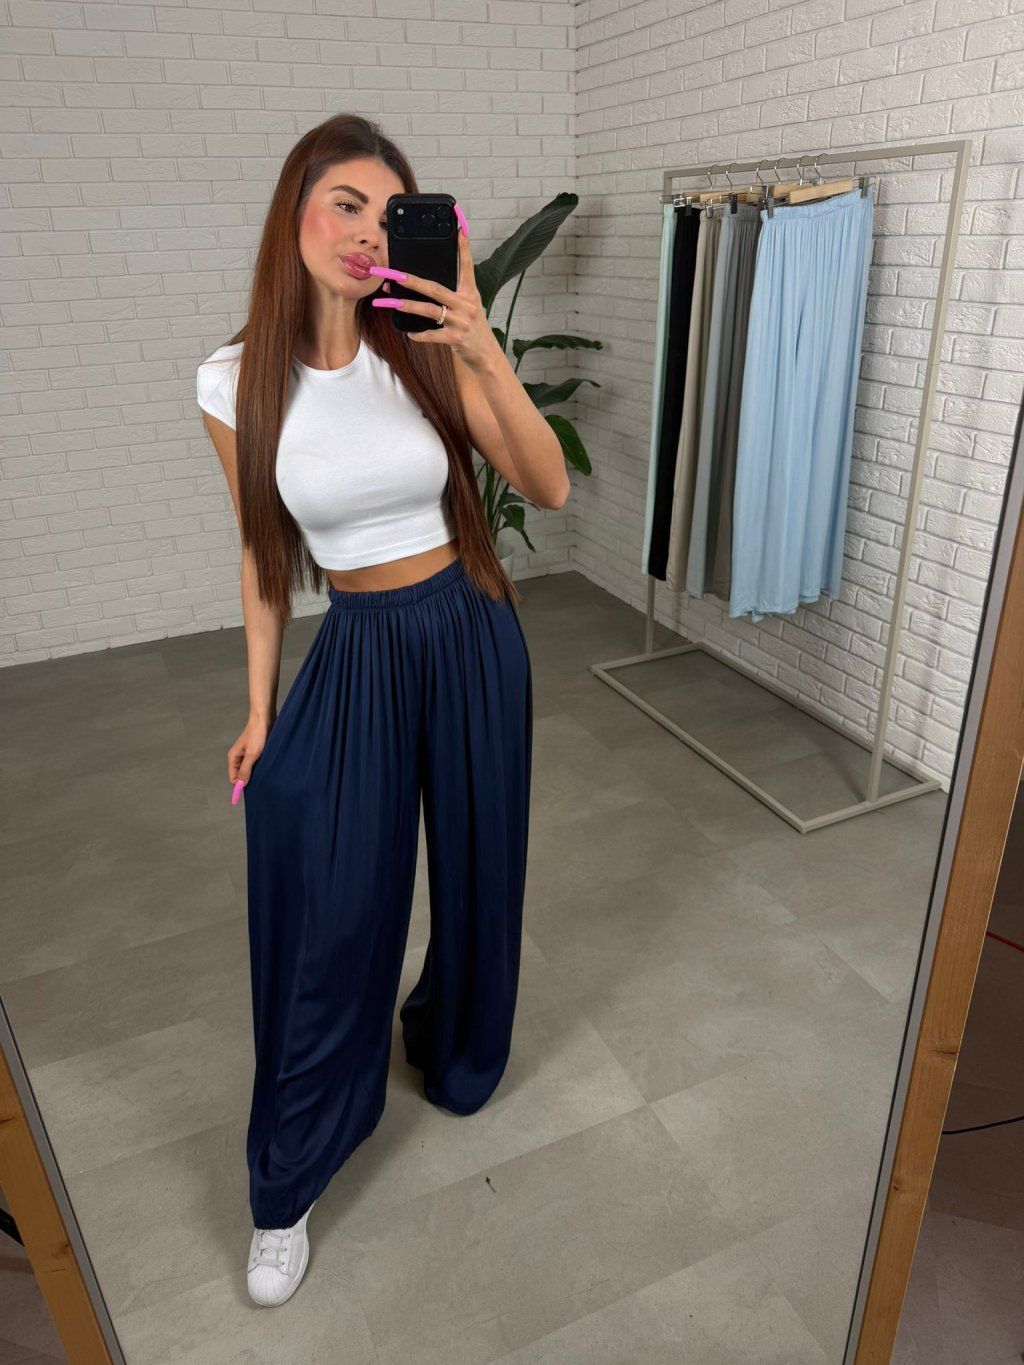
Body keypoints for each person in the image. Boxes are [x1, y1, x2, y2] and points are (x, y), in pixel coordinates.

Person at [196, 113, 569, 1307]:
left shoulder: (423, 345)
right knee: (329, 903)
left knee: (477, 866)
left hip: (468, 631)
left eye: (387, 209)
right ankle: (289, 1177)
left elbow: (547, 486)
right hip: (357, 647)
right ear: (294, 213)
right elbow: (262, 559)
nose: (365, 232)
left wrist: (479, 345)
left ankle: (457, 1045)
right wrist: (260, 709)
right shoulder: (231, 382)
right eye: (344, 204)